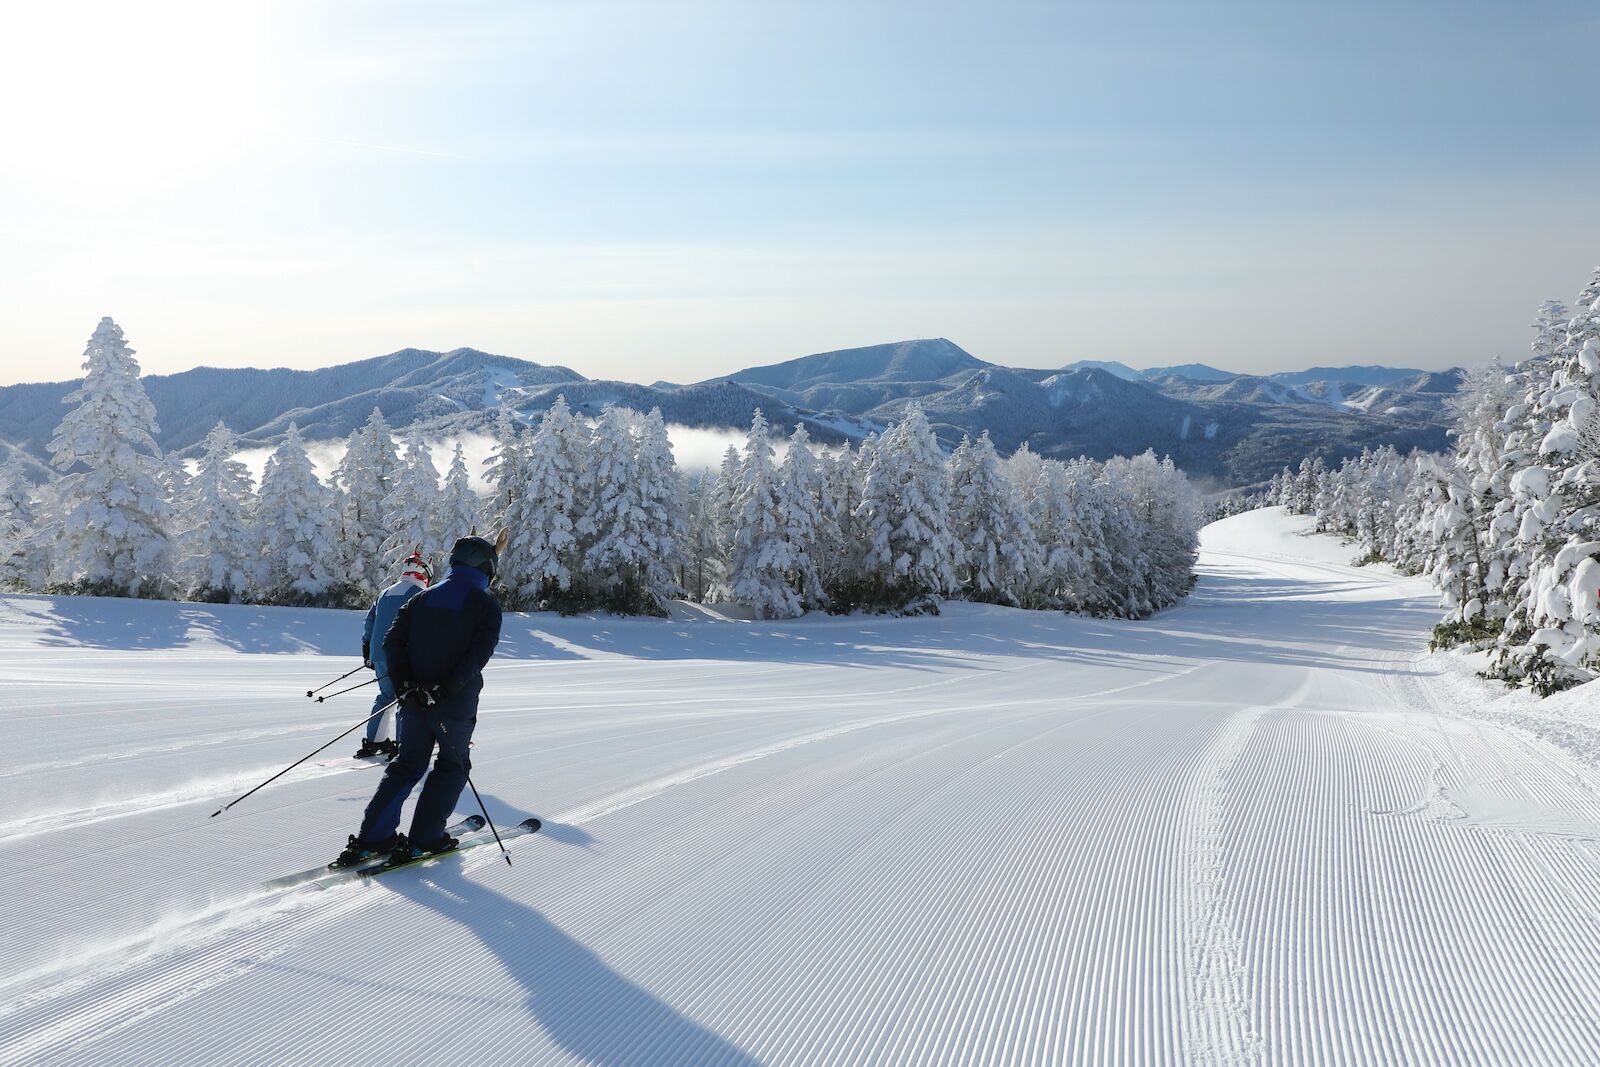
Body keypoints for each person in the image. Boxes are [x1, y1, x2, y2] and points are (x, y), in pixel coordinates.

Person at [333, 529, 507, 867]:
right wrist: (447, 687)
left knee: (407, 766)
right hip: (453, 705)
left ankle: (373, 838)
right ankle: (426, 837)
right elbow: (478, 654)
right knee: (452, 767)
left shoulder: (422, 597)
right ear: (486, 568)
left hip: (412, 701)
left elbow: (391, 642)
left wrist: (403, 684)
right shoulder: (484, 604)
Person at [355, 547, 433, 759]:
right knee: (406, 699)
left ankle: (375, 741)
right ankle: (405, 745)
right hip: (403, 656)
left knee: (386, 696)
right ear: (424, 573)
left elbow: (370, 621)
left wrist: (367, 648)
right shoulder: (421, 595)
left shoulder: (385, 592)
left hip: (378, 654)